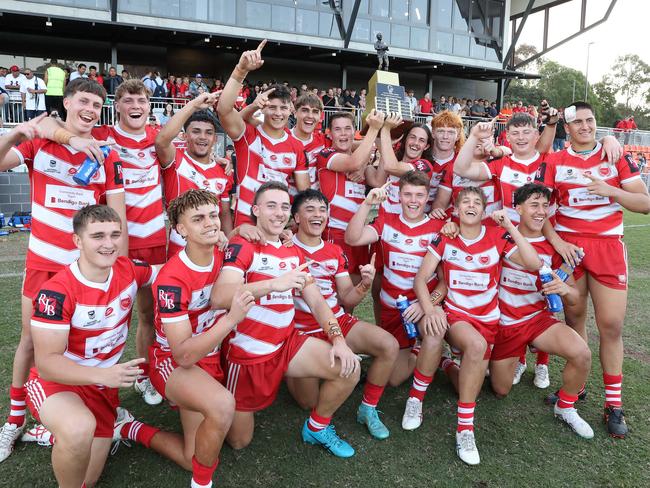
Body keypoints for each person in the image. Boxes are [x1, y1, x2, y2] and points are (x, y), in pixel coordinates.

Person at [0, 79, 127, 463]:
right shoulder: (40, 144)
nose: (90, 108)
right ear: (67, 102)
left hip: (84, 269)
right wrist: (12, 135)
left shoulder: (108, 154)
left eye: (96, 103)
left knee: (91, 338)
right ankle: (15, 420)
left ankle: (79, 409)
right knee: (30, 342)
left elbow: (117, 216)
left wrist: (116, 264)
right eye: (84, 100)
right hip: (43, 264)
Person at [212, 181, 361, 457]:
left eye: (283, 206)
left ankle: (317, 427)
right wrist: (272, 284)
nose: (279, 212)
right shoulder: (243, 244)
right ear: (255, 210)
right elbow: (220, 296)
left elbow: (317, 301)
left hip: (287, 344)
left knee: (349, 368)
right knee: (238, 441)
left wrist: (338, 340)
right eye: (271, 206)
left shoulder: (292, 250)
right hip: (248, 356)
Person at [542, 101, 650, 438]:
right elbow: (540, 211)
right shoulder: (555, 161)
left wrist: (610, 190)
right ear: (568, 128)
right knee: (574, 319)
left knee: (611, 325)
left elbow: (644, 203)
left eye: (590, 121)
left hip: (607, 247)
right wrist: (558, 244)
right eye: (578, 122)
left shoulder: (615, 156)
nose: (586, 126)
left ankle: (614, 403)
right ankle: (577, 386)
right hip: (570, 248)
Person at [415, 186, 542, 465]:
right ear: (456, 210)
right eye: (465, 202)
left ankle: (446, 364)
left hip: (488, 320)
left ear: (483, 211)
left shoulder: (496, 236)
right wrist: (430, 309)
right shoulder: (446, 237)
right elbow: (420, 278)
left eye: (477, 202)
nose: (471, 205)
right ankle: (463, 428)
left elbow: (533, 263)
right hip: (457, 316)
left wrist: (510, 225)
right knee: (475, 346)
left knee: (486, 385)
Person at [150, 190, 252, 488]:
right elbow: (182, 355)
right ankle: (201, 484)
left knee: (239, 440)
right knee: (219, 410)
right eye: (198, 219)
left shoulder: (223, 256)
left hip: (211, 354)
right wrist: (232, 318)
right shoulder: (172, 278)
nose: (210, 223)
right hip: (175, 362)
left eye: (212, 215)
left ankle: (129, 425)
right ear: (181, 230)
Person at [288, 189, 399, 439]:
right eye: (310, 210)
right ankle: (299, 374)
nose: (318, 215)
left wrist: (364, 284)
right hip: (301, 330)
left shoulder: (334, 250)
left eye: (322, 210)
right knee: (308, 402)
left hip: (337, 320)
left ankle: (368, 409)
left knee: (388, 345)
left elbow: (347, 296)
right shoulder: (284, 247)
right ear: (295, 218)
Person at [488, 183, 593, 440]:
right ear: (518, 208)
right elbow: (530, 261)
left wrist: (565, 290)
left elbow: (575, 297)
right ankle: (514, 358)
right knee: (500, 390)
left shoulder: (556, 247)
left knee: (582, 353)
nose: (540, 211)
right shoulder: (501, 235)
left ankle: (565, 406)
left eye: (545, 206)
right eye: (534, 205)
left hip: (537, 320)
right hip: (505, 323)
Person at [345, 171, 448, 430]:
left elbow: (445, 282)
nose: (413, 200)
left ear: (427, 198)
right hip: (393, 308)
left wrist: (425, 304)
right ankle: (420, 352)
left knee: (433, 329)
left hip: (421, 307)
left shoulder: (439, 227)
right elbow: (352, 238)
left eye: (419, 195)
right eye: (408, 194)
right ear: (398, 195)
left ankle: (426, 355)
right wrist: (368, 203)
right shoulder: (386, 221)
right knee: (392, 379)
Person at [217, 40, 309, 226]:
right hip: (246, 227)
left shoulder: (296, 146)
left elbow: (304, 191)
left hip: (277, 229)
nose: (277, 113)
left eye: (283, 108)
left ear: (291, 109)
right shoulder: (248, 134)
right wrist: (241, 70)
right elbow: (224, 109)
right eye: (272, 107)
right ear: (263, 108)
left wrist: (294, 222)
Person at [155, 92, 234, 257]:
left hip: (213, 249)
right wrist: (193, 105)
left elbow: (224, 213)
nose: (202, 137)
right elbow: (162, 141)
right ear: (184, 136)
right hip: (180, 252)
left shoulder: (224, 170)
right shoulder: (175, 160)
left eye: (208, 133)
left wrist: (229, 247)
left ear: (215, 139)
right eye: (196, 131)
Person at [317, 110, 384, 286]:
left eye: (348, 129)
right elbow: (353, 162)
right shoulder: (326, 155)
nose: (343, 134)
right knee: (335, 295)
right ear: (329, 133)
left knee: (353, 291)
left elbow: (378, 181)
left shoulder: (361, 163)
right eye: (338, 129)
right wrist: (374, 129)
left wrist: (383, 145)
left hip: (358, 236)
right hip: (335, 235)